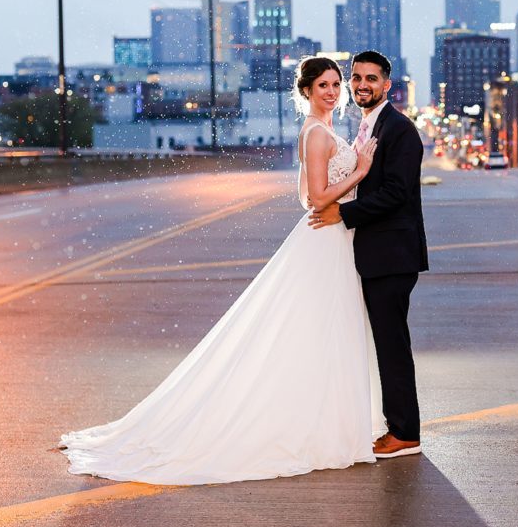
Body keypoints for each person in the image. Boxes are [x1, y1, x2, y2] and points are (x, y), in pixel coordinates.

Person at [57, 56, 385, 485]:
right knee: (321, 329)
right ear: (305, 91)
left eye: (335, 84)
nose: (332, 91)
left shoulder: (321, 132)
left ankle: (328, 417)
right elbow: (320, 198)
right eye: (323, 85)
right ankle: (320, 421)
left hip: (331, 238)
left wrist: (342, 190)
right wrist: (360, 171)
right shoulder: (317, 133)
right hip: (326, 239)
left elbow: (305, 197)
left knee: (323, 330)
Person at [308, 50, 429, 459]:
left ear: (387, 85)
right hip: (376, 251)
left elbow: (396, 194)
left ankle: (405, 432)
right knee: (385, 342)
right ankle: (396, 425)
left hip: (393, 253)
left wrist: (342, 212)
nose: (362, 85)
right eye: (356, 78)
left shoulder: (400, 131)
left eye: (371, 79)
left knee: (392, 344)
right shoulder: (368, 127)